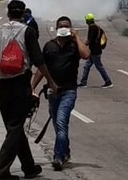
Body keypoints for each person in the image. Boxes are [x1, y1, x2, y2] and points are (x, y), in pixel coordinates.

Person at [0, 0, 57, 180]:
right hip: (20, 85)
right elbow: (38, 59)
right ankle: (1, 171)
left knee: (13, 128)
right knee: (16, 128)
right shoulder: (28, 31)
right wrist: (51, 81)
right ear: (23, 14)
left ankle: (29, 167)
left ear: (9, 13)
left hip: (3, 86)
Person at [31, 16, 90, 171]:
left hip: (68, 92)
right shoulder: (49, 46)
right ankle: (65, 151)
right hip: (52, 92)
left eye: (66, 26)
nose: (63, 28)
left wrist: (76, 36)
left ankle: (58, 157)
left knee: (61, 122)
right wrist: (32, 88)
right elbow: (41, 69)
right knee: (58, 126)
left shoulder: (74, 46)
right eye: (61, 26)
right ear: (56, 28)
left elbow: (86, 55)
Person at [78, 13, 113, 88]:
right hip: (94, 51)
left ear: (88, 20)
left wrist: (81, 46)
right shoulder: (96, 27)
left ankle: (108, 81)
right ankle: (83, 82)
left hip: (95, 52)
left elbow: (89, 41)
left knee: (99, 67)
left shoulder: (92, 28)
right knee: (87, 66)